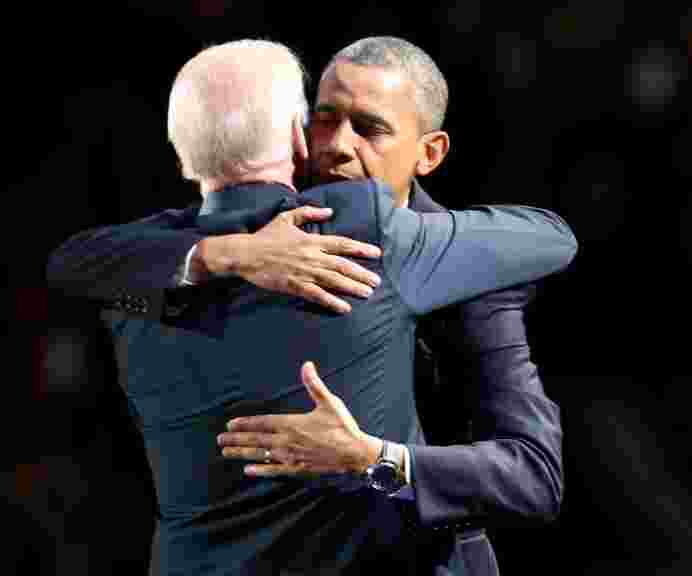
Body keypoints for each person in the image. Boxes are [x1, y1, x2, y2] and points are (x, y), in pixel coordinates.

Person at [47, 38, 575, 575]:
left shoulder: (475, 274)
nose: (338, 146)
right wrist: (231, 253)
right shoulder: (225, 234)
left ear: (430, 152)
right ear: (298, 132)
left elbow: (533, 478)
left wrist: (377, 460)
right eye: (325, 119)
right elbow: (75, 263)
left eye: (369, 128)